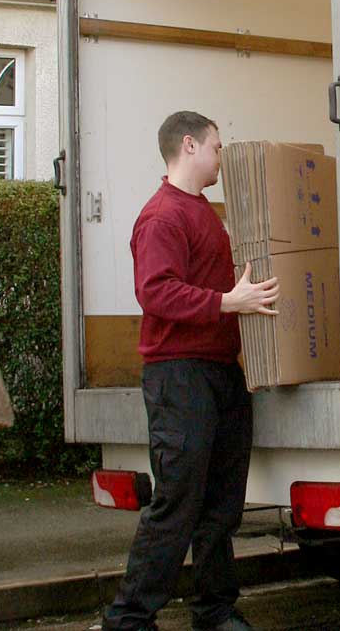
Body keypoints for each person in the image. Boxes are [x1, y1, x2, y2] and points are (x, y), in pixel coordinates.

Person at [103, 112, 280, 631]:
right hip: (179, 376)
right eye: (217, 148)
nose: (221, 157)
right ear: (189, 145)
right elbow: (154, 291)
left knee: (221, 506)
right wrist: (229, 302)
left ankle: (215, 610)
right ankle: (130, 618)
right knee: (177, 502)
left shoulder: (201, 212)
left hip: (220, 372)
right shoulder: (162, 217)